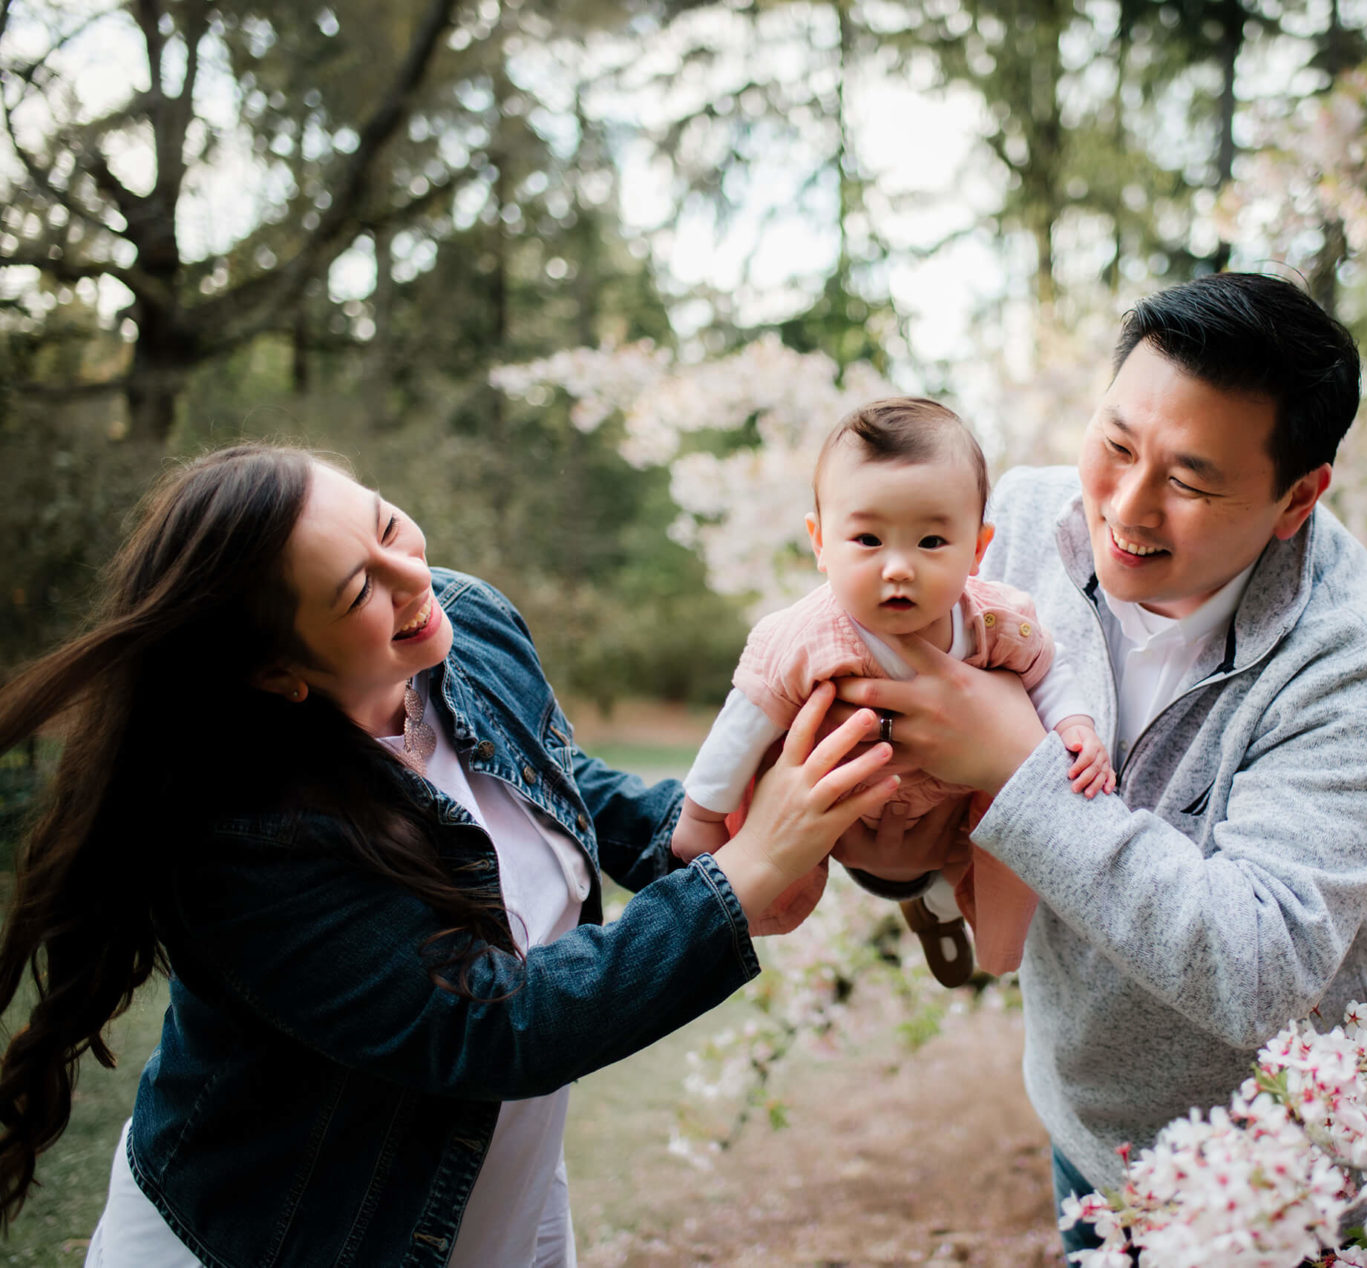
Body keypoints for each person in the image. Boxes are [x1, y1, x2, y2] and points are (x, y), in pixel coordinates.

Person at [0, 444, 898, 1266]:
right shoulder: (241, 837)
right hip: (290, 1237)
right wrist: (730, 889)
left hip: (500, 1202)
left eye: (389, 523)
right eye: (358, 590)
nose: (412, 575)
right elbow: (492, 1024)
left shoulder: (466, 625)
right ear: (277, 672)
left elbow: (554, 778)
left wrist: (708, 832)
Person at [827, 273, 1367, 1256]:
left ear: (1297, 498)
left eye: (1189, 481)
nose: (1127, 506)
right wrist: (886, 840)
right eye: (1113, 444)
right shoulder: (1015, 524)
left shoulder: (1356, 662)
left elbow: (1260, 966)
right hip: (1089, 1142)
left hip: (1296, 1190)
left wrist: (1019, 767)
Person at [670, 398, 1111, 987]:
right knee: (785, 836)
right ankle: (886, 902)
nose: (898, 567)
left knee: (1002, 847)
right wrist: (703, 813)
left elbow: (1045, 666)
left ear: (978, 550)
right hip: (842, 805)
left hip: (955, 807)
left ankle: (975, 930)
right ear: (820, 542)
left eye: (931, 542)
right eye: (869, 539)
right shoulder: (805, 636)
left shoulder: (995, 620)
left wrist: (1074, 723)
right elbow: (745, 719)